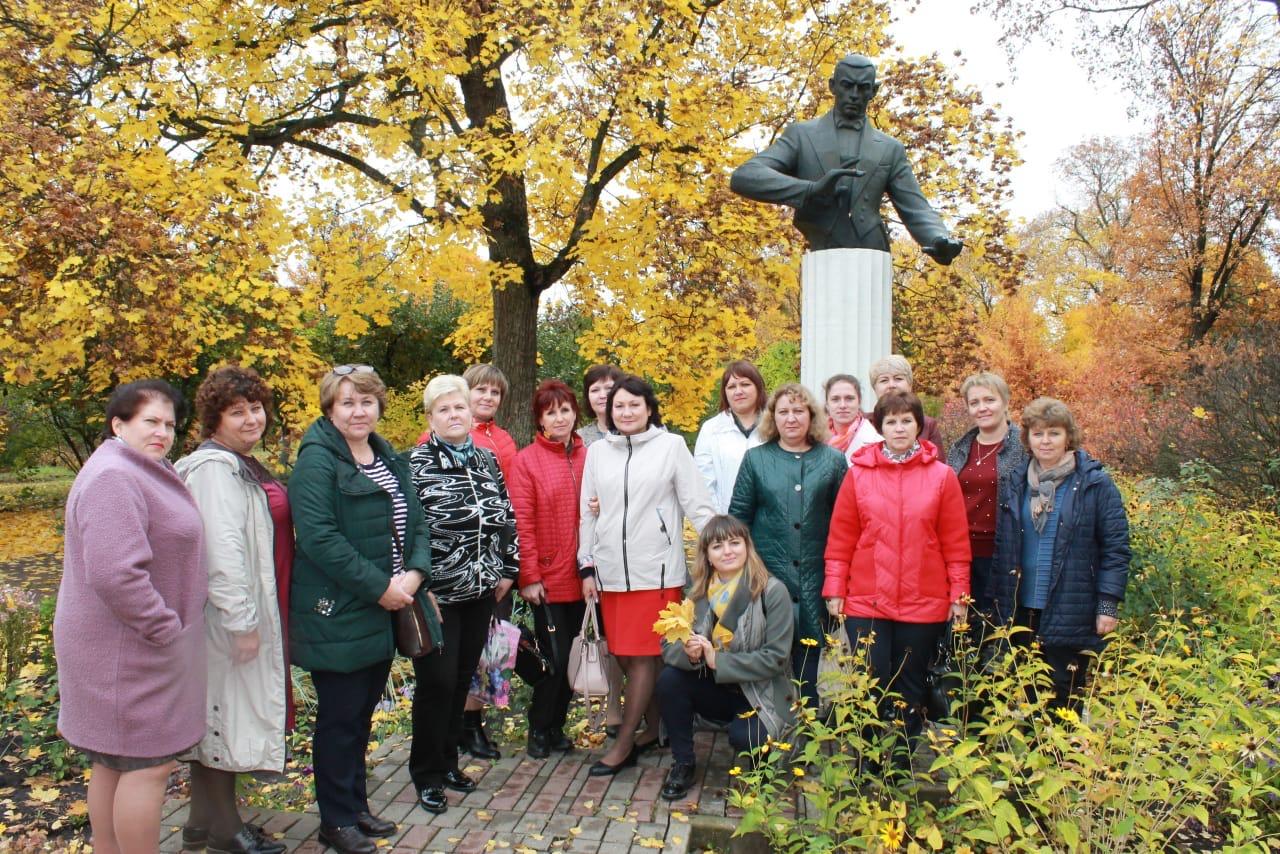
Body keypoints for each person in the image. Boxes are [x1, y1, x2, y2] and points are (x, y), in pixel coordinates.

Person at [290, 365, 438, 854]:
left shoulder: (384, 454)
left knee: (360, 716)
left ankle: (354, 807)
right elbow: (318, 538)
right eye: (348, 402)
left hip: (386, 605)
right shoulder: (317, 460)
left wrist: (414, 576)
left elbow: (415, 521)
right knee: (338, 719)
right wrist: (381, 588)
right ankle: (334, 820)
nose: (359, 411)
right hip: (341, 611)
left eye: (367, 402)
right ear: (330, 408)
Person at [55, 380, 206, 854]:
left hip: (124, 642)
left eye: (169, 424)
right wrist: (167, 631)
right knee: (147, 764)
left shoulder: (133, 467)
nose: (162, 432)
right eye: (150, 421)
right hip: (131, 648)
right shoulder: (116, 477)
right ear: (118, 424)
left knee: (114, 761)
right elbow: (117, 575)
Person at [176, 367, 292, 854]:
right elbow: (222, 555)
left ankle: (200, 824)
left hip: (254, 610)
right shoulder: (214, 471)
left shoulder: (241, 463)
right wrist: (242, 623)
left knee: (221, 713)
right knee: (223, 715)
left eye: (256, 408)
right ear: (214, 419)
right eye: (237, 411)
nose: (251, 419)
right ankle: (225, 830)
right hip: (229, 620)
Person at [823, 390, 970, 774]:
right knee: (871, 679)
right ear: (880, 427)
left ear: (919, 425)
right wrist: (835, 588)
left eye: (907, 420)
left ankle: (903, 757)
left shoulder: (942, 477)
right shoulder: (859, 474)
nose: (899, 427)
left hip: (923, 599)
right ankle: (869, 757)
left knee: (911, 683)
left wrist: (959, 594)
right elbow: (841, 538)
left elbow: (955, 541)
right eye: (891, 421)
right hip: (867, 599)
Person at [578, 374, 716, 776]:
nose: (625, 412)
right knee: (624, 654)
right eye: (618, 406)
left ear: (649, 408)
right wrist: (586, 564)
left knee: (641, 658)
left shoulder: (671, 447)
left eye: (634, 405)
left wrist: (725, 548)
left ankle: (624, 744)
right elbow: (588, 512)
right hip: (609, 572)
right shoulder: (598, 453)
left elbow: (697, 504)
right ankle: (656, 728)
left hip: (654, 573)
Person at [408, 375, 519, 814]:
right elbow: (406, 533)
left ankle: (449, 761)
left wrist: (508, 569)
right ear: (431, 418)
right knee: (435, 683)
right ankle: (426, 774)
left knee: (460, 681)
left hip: (481, 592)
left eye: (459, 409)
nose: (454, 416)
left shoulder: (487, 461)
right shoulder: (415, 465)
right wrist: (420, 585)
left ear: (471, 415)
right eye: (444, 410)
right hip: (438, 595)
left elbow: (506, 516)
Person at [729, 54, 961, 263]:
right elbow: (746, 176)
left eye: (863, 88)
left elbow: (915, 206)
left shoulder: (891, 148)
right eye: (847, 85)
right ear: (833, 86)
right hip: (822, 250)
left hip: (872, 255)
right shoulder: (802, 135)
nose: (854, 95)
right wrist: (810, 189)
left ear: (874, 91)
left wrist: (938, 238)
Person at [991, 398, 1130, 710]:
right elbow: (1005, 546)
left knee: (1063, 699)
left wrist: (1108, 603)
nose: (1045, 441)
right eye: (1038, 434)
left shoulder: (1094, 483)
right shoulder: (1017, 482)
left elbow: (1115, 547)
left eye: (1054, 433)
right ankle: (1030, 758)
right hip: (1022, 608)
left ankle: (1059, 760)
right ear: (1027, 439)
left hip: (1071, 607)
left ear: (1069, 436)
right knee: (1025, 694)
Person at [656, 516, 796, 801]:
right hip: (719, 690)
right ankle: (683, 762)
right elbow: (668, 645)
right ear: (707, 555)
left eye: (735, 543)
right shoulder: (697, 594)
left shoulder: (771, 591)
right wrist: (690, 652)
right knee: (669, 681)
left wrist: (717, 660)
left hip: (761, 693)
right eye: (718, 546)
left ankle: (767, 763)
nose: (728, 551)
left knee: (744, 737)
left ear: (748, 546)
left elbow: (776, 658)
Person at [728, 383, 847, 707]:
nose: (791, 418)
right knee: (767, 652)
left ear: (812, 416)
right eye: (783, 411)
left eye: (799, 411)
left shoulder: (834, 461)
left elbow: (845, 523)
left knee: (810, 655)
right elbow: (738, 521)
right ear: (772, 417)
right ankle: (767, 726)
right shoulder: (756, 460)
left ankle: (805, 732)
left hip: (815, 577)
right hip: (768, 577)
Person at [506, 379, 588, 758]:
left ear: (575, 413)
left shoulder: (591, 457)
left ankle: (556, 728)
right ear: (540, 419)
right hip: (549, 580)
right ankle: (539, 728)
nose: (559, 418)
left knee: (575, 660)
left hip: (586, 577)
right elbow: (522, 522)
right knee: (553, 661)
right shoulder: (527, 461)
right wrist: (530, 577)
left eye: (565, 410)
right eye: (550, 412)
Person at [946, 372, 1026, 618]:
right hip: (962, 554)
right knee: (962, 631)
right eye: (974, 403)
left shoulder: (1024, 446)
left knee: (1000, 627)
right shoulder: (960, 448)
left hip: (1004, 554)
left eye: (989, 400)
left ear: (1005, 402)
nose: (982, 408)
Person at [693, 360, 767, 513]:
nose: (738, 391)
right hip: (727, 525)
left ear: (758, 387)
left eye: (745, 384)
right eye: (732, 386)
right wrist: (716, 525)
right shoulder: (711, 430)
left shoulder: (776, 426)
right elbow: (703, 483)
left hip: (769, 525)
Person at [868, 355, 945, 450]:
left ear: (910, 385)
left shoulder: (928, 425)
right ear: (874, 388)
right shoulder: (864, 425)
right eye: (884, 380)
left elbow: (937, 463)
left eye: (898, 379)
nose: (891, 385)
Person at [824, 373, 881, 461]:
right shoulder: (812, 441)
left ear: (859, 402)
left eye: (849, 398)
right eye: (835, 399)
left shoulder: (877, 442)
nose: (842, 405)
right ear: (827, 404)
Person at [577, 364, 623, 447]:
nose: (602, 395)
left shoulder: (636, 433)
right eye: (595, 390)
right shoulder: (578, 439)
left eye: (609, 388)